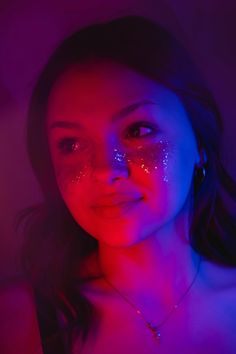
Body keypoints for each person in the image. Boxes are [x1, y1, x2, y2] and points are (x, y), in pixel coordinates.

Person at [4, 15, 236, 354]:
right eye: (71, 144)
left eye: (137, 131)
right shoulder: (17, 322)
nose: (104, 170)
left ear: (200, 143)